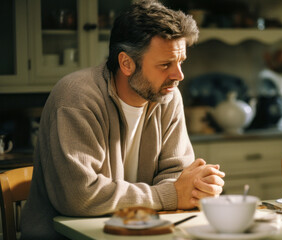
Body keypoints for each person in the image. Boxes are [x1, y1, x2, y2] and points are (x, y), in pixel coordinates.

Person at [20, 1, 225, 239]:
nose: (178, 76)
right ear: (126, 63)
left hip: (140, 232)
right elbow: (80, 196)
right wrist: (169, 195)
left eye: (181, 62)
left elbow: (178, 174)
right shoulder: (76, 96)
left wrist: (194, 189)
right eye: (165, 64)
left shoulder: (167, 95)